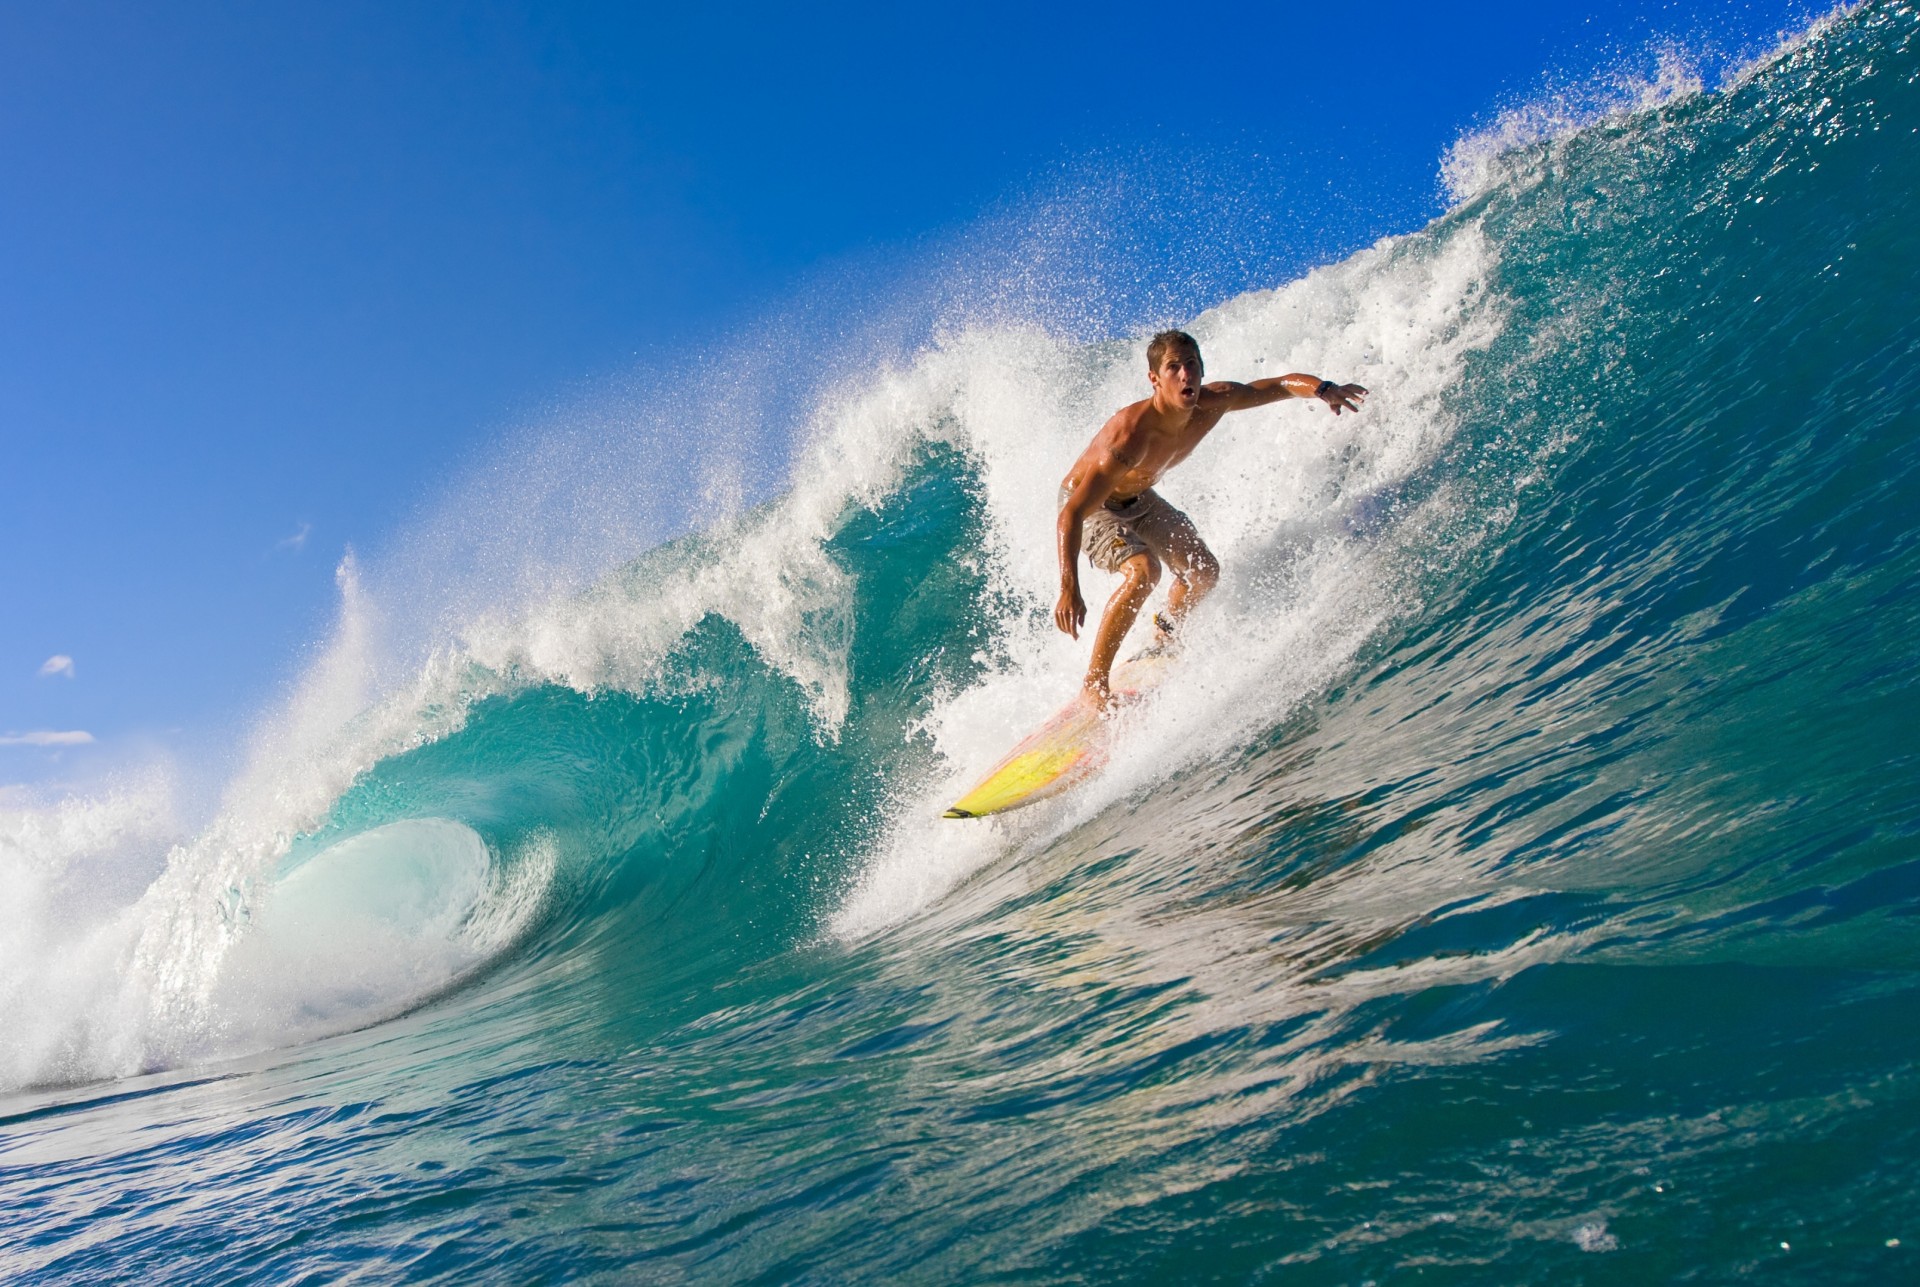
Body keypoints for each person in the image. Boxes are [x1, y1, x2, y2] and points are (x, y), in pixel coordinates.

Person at [1054, 329, 1367, 706]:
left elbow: (1278, 386)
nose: (1186, 374)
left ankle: (1165, 633)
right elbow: (1072, 513)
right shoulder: (1130, 437)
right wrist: (1069, 587)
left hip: (1139, 497)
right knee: (1144, 571)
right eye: (1174, 367)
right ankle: (1093, 685)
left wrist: (1323, 388)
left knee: (1203, 570)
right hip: (1092, 505)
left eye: (1192, 365)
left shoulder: (1213, 401)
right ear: (1155, 379)